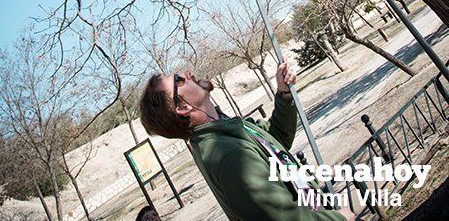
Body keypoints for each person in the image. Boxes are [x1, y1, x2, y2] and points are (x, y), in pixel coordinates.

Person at [140, 60, 355, 221]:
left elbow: (276, 138)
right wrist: (340, 219)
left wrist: (283, 93)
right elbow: (284, 217)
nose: (187, 73)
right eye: (179, 80)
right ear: (183, 107)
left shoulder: (226, 126)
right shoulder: (227, 156)